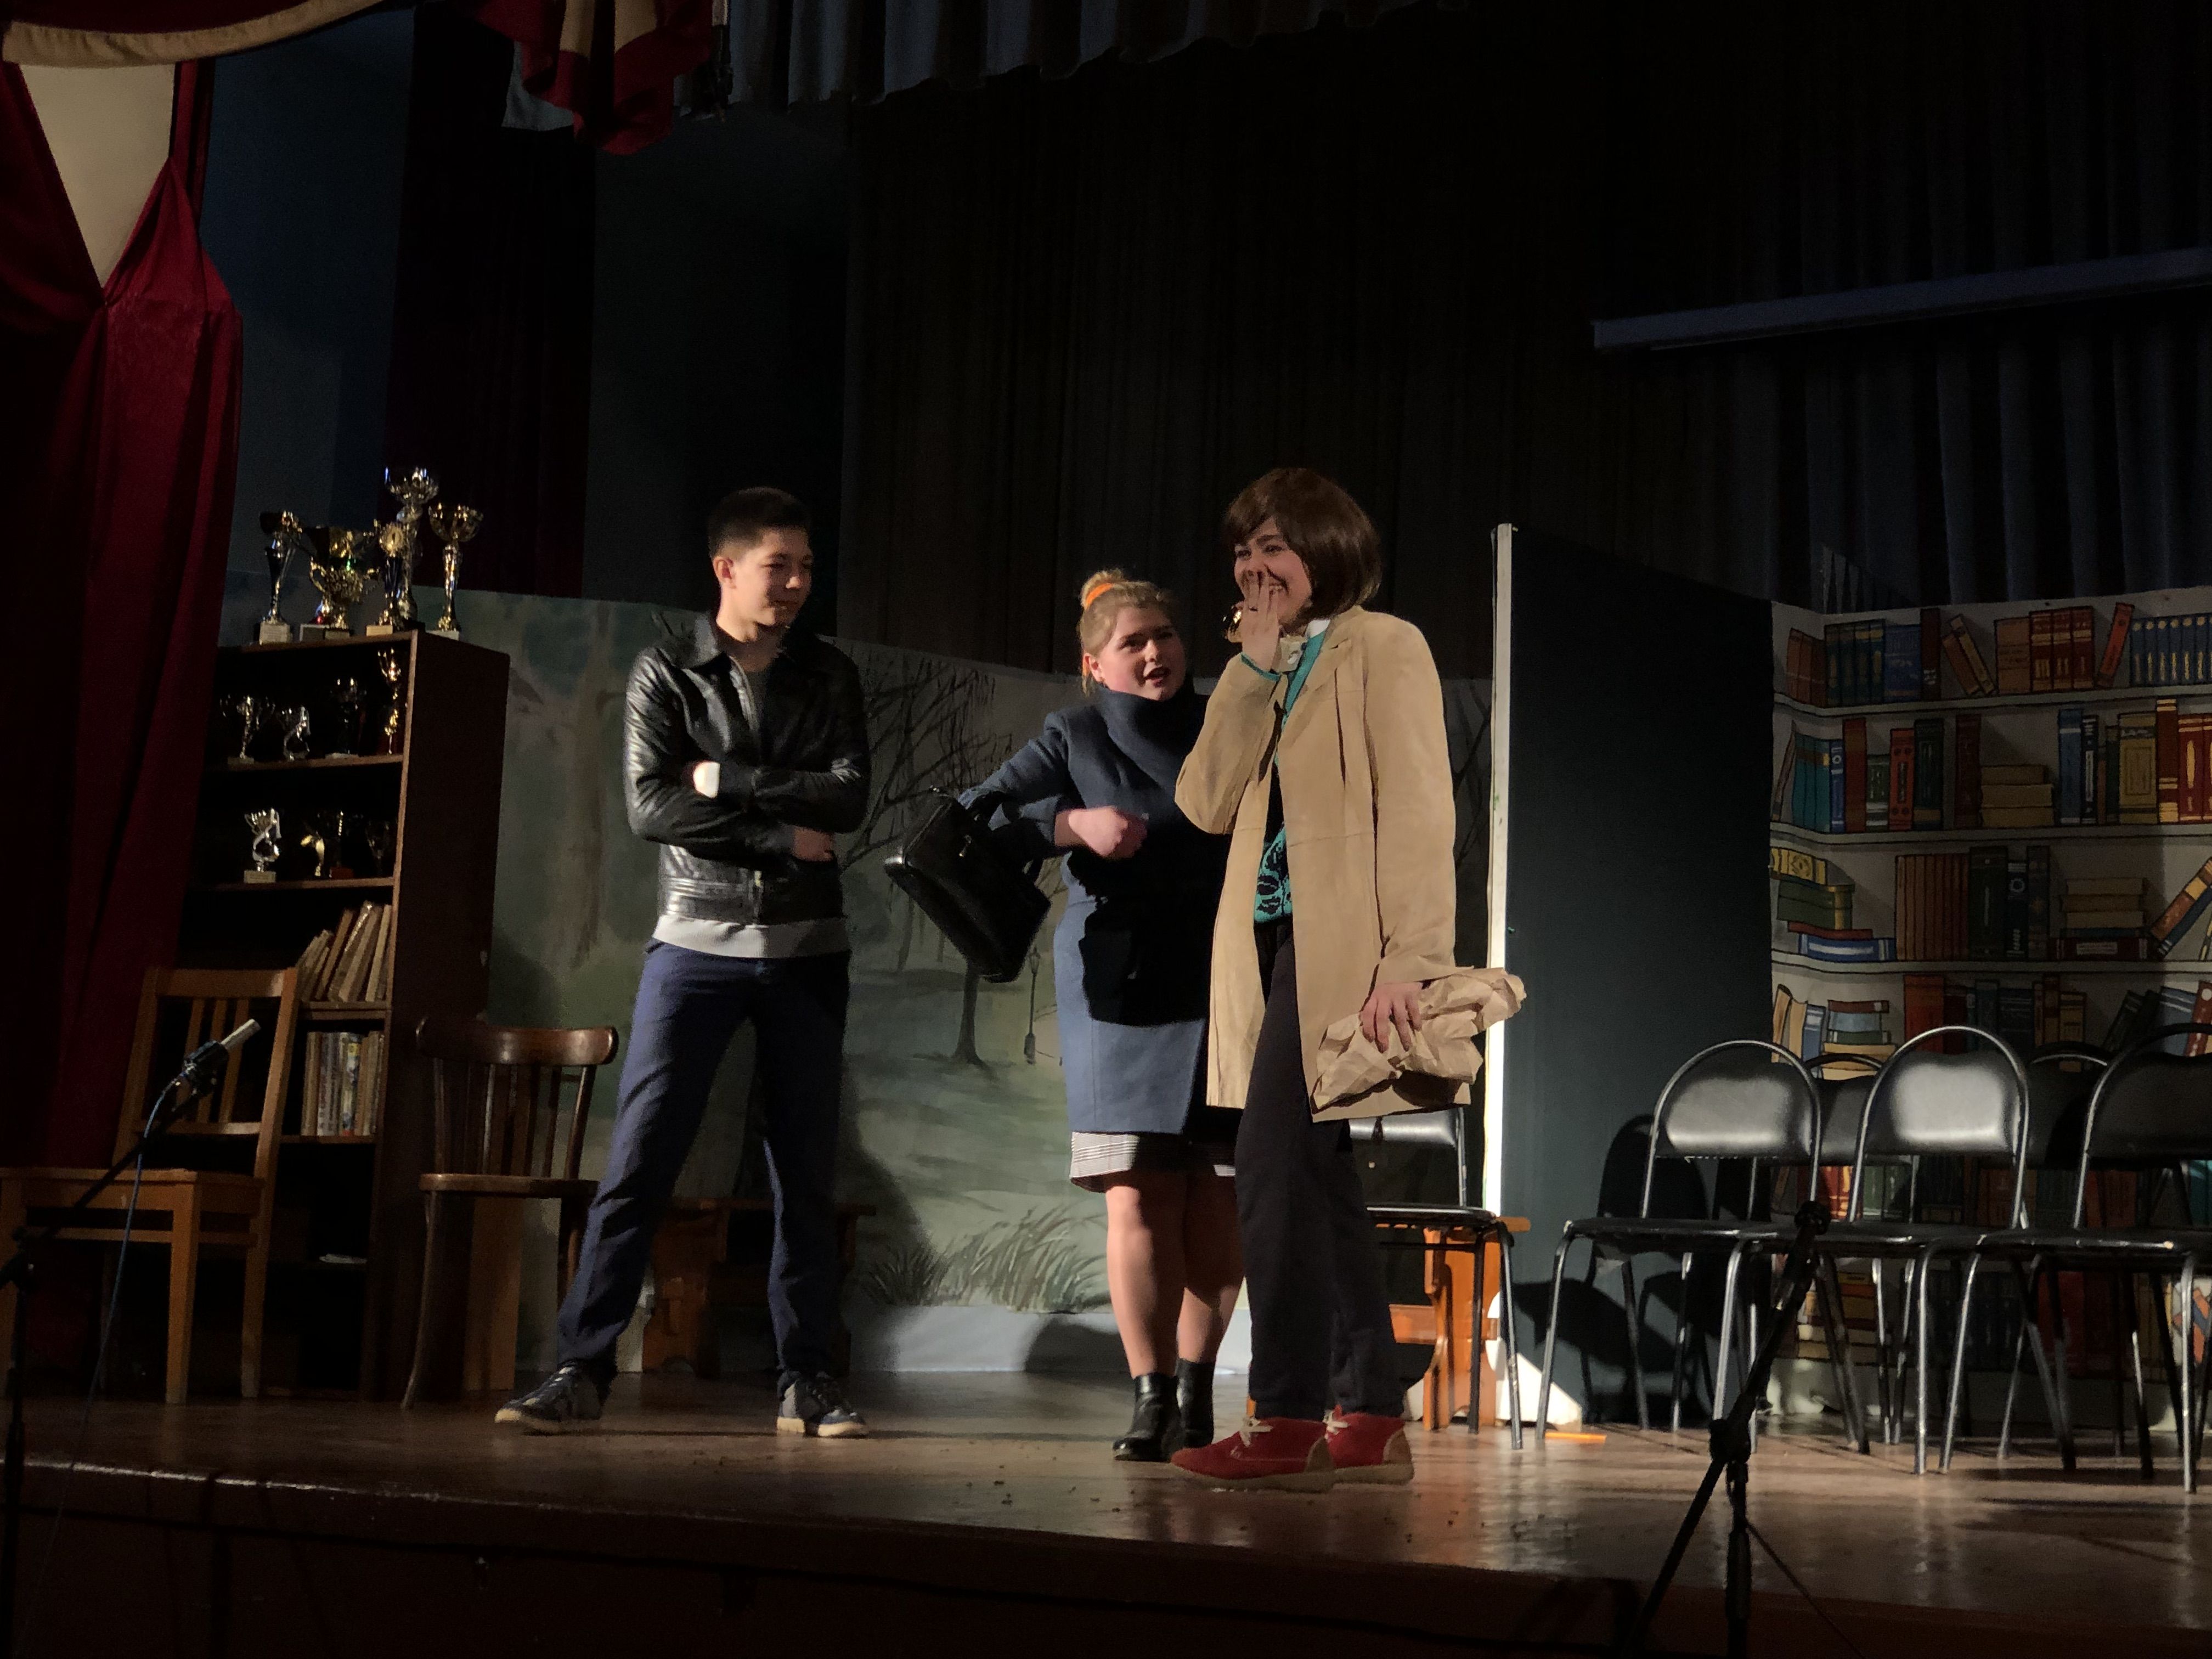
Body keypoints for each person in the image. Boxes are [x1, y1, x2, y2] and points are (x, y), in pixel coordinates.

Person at [496, 487, 871, 1438]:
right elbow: (652, 809)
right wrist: (783, 837)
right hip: (695, 945)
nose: (797, 584)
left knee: (804, 1175)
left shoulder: (829, 674)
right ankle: (579, 1369)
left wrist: (728, 779)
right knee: (641, 1160)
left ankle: (807, 1380)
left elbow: (847, 798)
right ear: (726, 569)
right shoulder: (668, 670)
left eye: (807, 567)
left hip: (807, 950)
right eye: (779, 566)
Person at [1169, 469, 1459, 1491]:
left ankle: (1287, 1413)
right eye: (1243, 554)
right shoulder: (1265, 663)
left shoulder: (1385, 645)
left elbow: (1420, 809)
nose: (1254, 569)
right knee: (1318, 1179)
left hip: (1343, 951)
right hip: (1265, 949)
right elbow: (1203, 804)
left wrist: (1411, 961)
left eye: (1275, 549)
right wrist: (1249, 671)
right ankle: (1371, 1409)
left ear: (1325, 551)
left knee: (1271, 1164)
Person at [963, 571, 1241, 1460]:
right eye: (1134, 643)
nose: (1157, 653)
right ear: (1094, 665)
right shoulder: (1074, 735)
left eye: (1166, 636)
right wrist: (1070, 826)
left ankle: (1196, 1391)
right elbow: (973, 821)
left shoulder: (1230, 724)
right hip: (1123, 988)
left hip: (1229, 981)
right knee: (1138, 1187)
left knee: (1219, 1193)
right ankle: (1150, 1396)